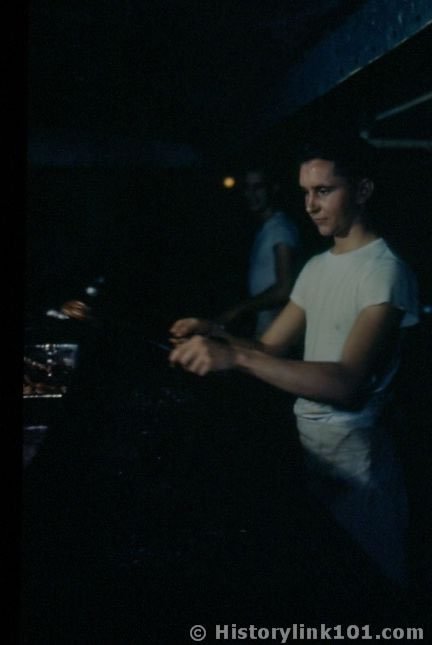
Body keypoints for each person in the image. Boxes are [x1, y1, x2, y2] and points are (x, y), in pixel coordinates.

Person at [169, 135, 419, 586]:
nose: (310, 205)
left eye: (324, 191)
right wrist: (215, 333)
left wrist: (234, 358)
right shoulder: (316, 267)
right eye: (305, 192)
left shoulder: (385, 272)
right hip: (314, 455)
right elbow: (268, 347)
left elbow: (346, 383)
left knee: (371, 588)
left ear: (362, 190)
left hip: (359, 463)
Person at [172, 166, 300, 340]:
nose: (251, 194)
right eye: (247, 187)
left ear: (273, 188)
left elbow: (284, 289)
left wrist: (238, 309)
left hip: (279, 338)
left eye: (258, 187)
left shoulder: (280, 228)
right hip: (264, 331)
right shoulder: (265, 229)